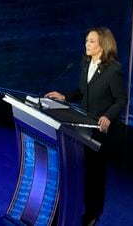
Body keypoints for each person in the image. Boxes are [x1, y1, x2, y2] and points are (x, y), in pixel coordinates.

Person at [46, 26, 128, 226]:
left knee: (95, 173)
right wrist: (66, 97)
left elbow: (120, 99)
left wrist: (107, 117)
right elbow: (83, 91)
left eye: (91, 41)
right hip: (83, 126)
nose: (87, 44)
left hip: (102, 130)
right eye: (86, 40)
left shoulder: (113, 69)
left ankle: (93, 213)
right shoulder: (85, 64)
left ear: (103, 45)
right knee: (81, 169)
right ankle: (70, 207)